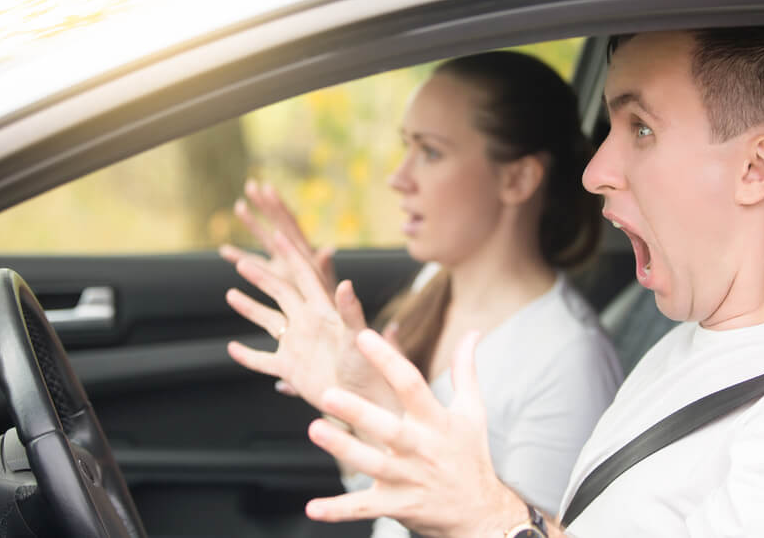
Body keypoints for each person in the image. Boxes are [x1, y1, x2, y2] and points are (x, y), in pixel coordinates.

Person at [297, 27, 764, 537]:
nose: (595, 170)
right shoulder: (694, 338)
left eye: (641, 129)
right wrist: (379, 415)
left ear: (755, 168)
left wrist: (497, 523)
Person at [220, 51, 624, 536]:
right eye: (406, 147)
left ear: (517, 178)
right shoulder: (432, 281)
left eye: (430, 152)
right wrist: (344, 398)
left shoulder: (568, 361)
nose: (399, 178)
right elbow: (387, 502)